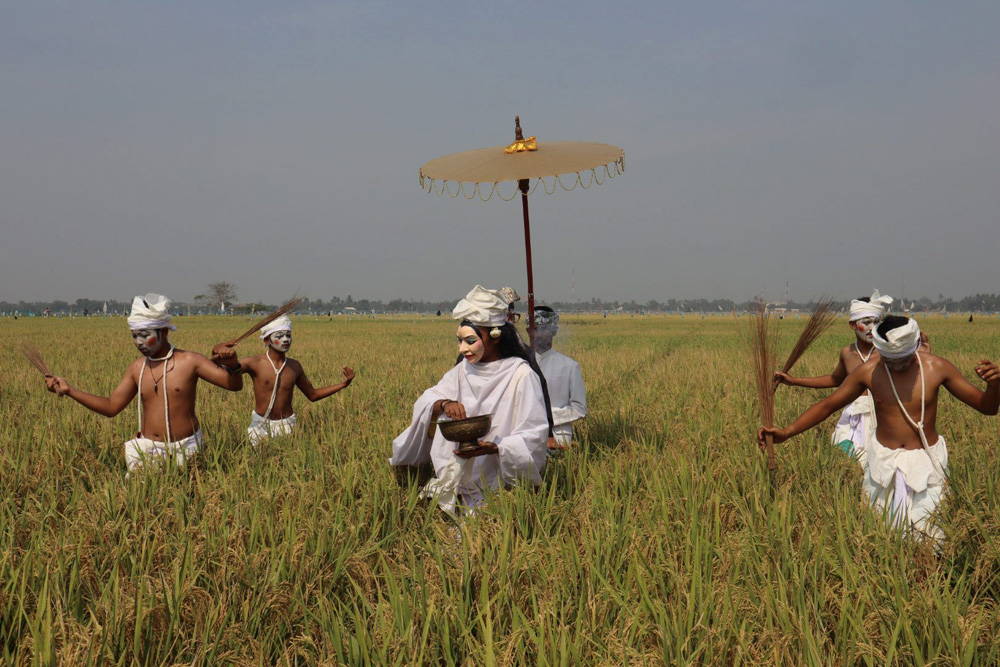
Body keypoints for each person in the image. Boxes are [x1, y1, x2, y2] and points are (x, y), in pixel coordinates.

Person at [759, 316, 999, 541]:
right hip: (883, 467)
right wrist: (787, 432)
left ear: (916, 346)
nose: (897, 366)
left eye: (904, 359)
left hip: (927, 465)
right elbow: (827, 406)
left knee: (931, 537)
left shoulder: (936, 368)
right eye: (891, 360)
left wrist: (995, 385)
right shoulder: (869, 371)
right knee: (880, 535)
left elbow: (986, 407)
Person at [390, 285, 549, 515]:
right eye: (459, 341)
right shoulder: (462, 370)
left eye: (470, 340)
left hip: (497, 481)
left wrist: (495, 448)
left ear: (495, 336)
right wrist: (445, 404)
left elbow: (534, 435)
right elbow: (428, 397)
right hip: (458, 474)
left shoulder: (521, 375)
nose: (462, 349)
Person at [44, 293, 244, 472]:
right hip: (148, 449)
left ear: (164, 332)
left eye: (144, 335)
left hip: (187, 448)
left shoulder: (190, 361)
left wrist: (232, 364)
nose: (138, 342)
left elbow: (234, 385)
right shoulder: (137, 368)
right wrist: (69, 391)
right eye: (134, 336)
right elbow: (111, 407)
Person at [774, 290, 893, 466]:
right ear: (853, 325)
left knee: (879, 464)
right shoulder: (847, 353)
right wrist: (794, 381)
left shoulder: (887, 352)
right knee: (848, 458)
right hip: (853, 415)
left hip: (880, 416)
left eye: (876, 322)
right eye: (866, 322)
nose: (871, 328)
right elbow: (835, 380)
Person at [240, 314, 354, 445]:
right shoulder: (254, 363)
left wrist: (343, 384)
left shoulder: (294, 366)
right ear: (267, 340)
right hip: (260, 425)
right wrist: (219, 353)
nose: (285, 339)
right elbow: (227, 369)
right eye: (279, 336)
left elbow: (313, 394)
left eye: (288, 335)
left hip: (286, 425)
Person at [533, 306, 587, 448]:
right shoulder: (521, 364)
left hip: (559, 435)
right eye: (534, 328)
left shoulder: (569, 366)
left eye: (544, 329)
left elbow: (580, 408)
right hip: (527, 435)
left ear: (554, 331)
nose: (538, 334)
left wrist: (549, 418)